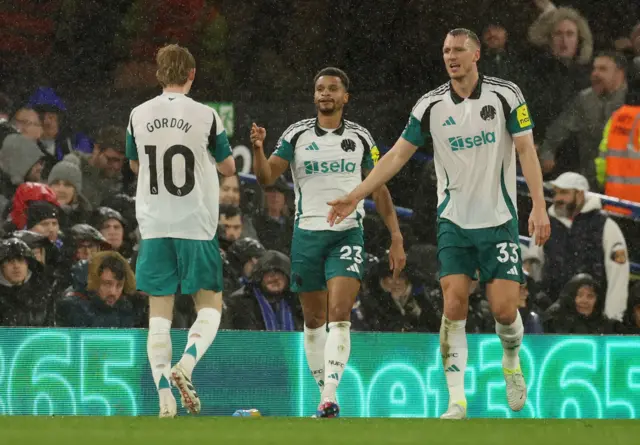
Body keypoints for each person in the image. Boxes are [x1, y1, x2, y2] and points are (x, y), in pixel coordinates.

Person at [326, 29, 550, 419]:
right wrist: (357, 194)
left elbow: (527, 151)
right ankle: (456, 399)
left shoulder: (505, 95)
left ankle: (511, 361)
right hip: (454, 222)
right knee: (454, 302)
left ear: (476, 54)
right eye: (446, 50)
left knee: (503, 309)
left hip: (498, 220)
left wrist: (540, 207)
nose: (451, 56)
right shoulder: (430, 105)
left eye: (459, 50)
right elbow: (396, 156)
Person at [250, 66, 406, 418]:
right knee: (313, 319)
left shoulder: (362, 138)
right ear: (314, 95)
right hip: (307, 235)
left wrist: (396, 235)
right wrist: (258, 149)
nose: (325, 94)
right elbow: (265, 177)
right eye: (320, 88)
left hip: (347, 233)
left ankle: (331, 393)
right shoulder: (296, 134)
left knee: (340, 314)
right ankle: (324, 397)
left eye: (333, 89)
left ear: (345, 97)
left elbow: (379, 187)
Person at [126, 43, 236, 418]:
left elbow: (135, 163)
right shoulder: (206, 116)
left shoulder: (137, 114)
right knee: (210, 306)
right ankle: (186, 366)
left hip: (155, 224)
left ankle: (163, 397)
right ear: (192, 74)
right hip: (195, 223)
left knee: (159, 314)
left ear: (159, 75)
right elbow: (228, 168)